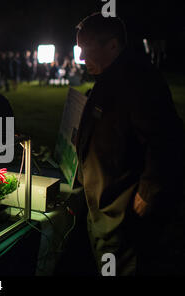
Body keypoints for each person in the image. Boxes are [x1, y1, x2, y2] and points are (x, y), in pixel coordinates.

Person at [75, 12, 184, 275]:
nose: (81, 58)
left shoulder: (139, 80)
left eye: (86, 49)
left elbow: (167, 138)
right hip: (106, 209)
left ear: (112, 45)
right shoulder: (108, 78)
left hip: (123, 215)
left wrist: (148, 191)